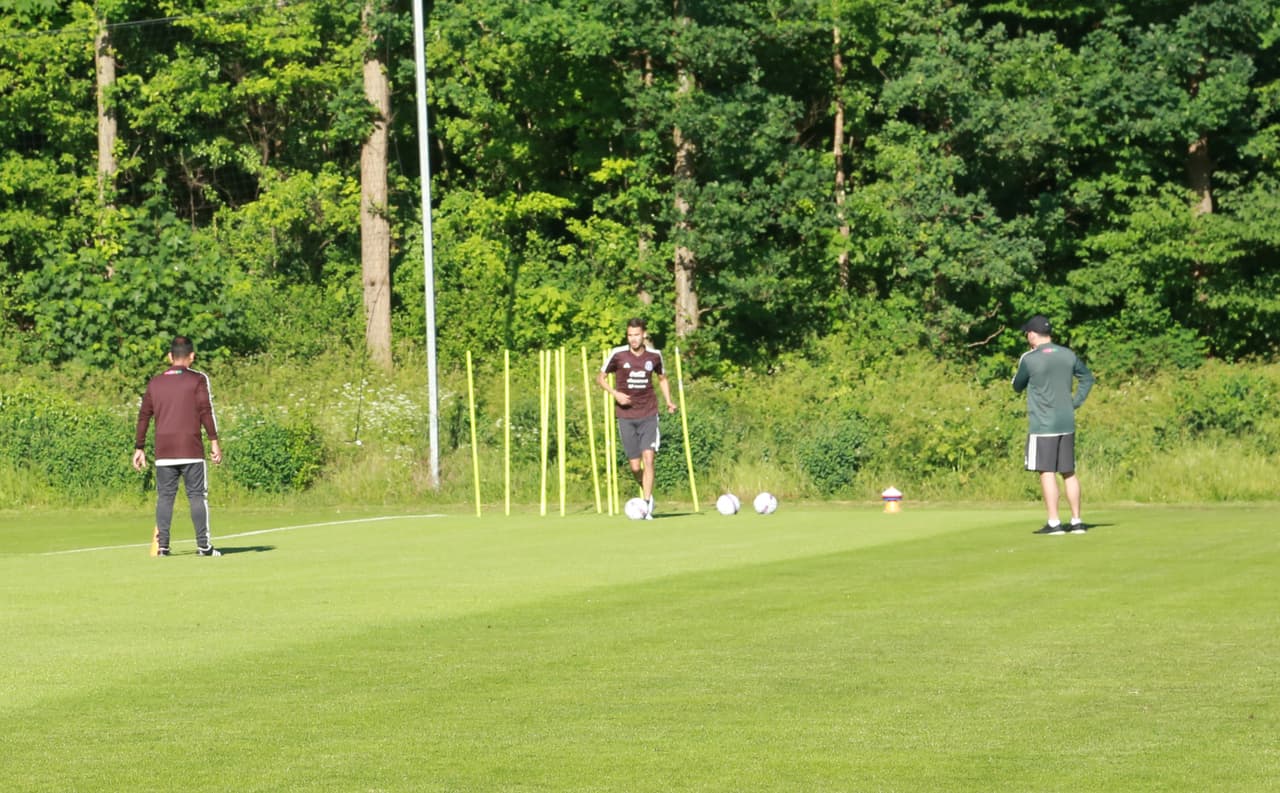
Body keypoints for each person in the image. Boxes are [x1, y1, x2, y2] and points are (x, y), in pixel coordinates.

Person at [133, 335, 223, 556]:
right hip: (191, 449)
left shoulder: (155, 382)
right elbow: (205, 410)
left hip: (164, 450)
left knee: (165, 497)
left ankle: (162, 547)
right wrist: (214, 441)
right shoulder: (198, 380)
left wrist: (139, 447)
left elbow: (144, 415)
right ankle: (204, 546)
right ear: (192, 356)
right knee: (196, 496)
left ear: (169, 356)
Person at [1012, 315, 1095, 535]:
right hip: (1066, 422)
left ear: (1032, 334)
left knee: (1046, 471)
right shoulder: (1068, 354)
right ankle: (1077, 521)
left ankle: (1054, 523)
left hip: (1043, 425)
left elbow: (1017, 386)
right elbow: (1087, 378)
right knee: (1068, 472)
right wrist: (1075, 402)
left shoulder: (1029, 358)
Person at [596, 318, 678, 519]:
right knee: (635, 466)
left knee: (648, 459)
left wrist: (668, 401)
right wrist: (615, 394)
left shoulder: (654, 356)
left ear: (643, 335)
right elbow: (600, 378)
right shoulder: (618, 354)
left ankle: (647, 504)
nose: (633, 339)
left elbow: (662, 378)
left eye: (636, 335)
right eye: (630, 335)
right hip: (625, 415)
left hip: (649, 413)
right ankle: (645, 490)